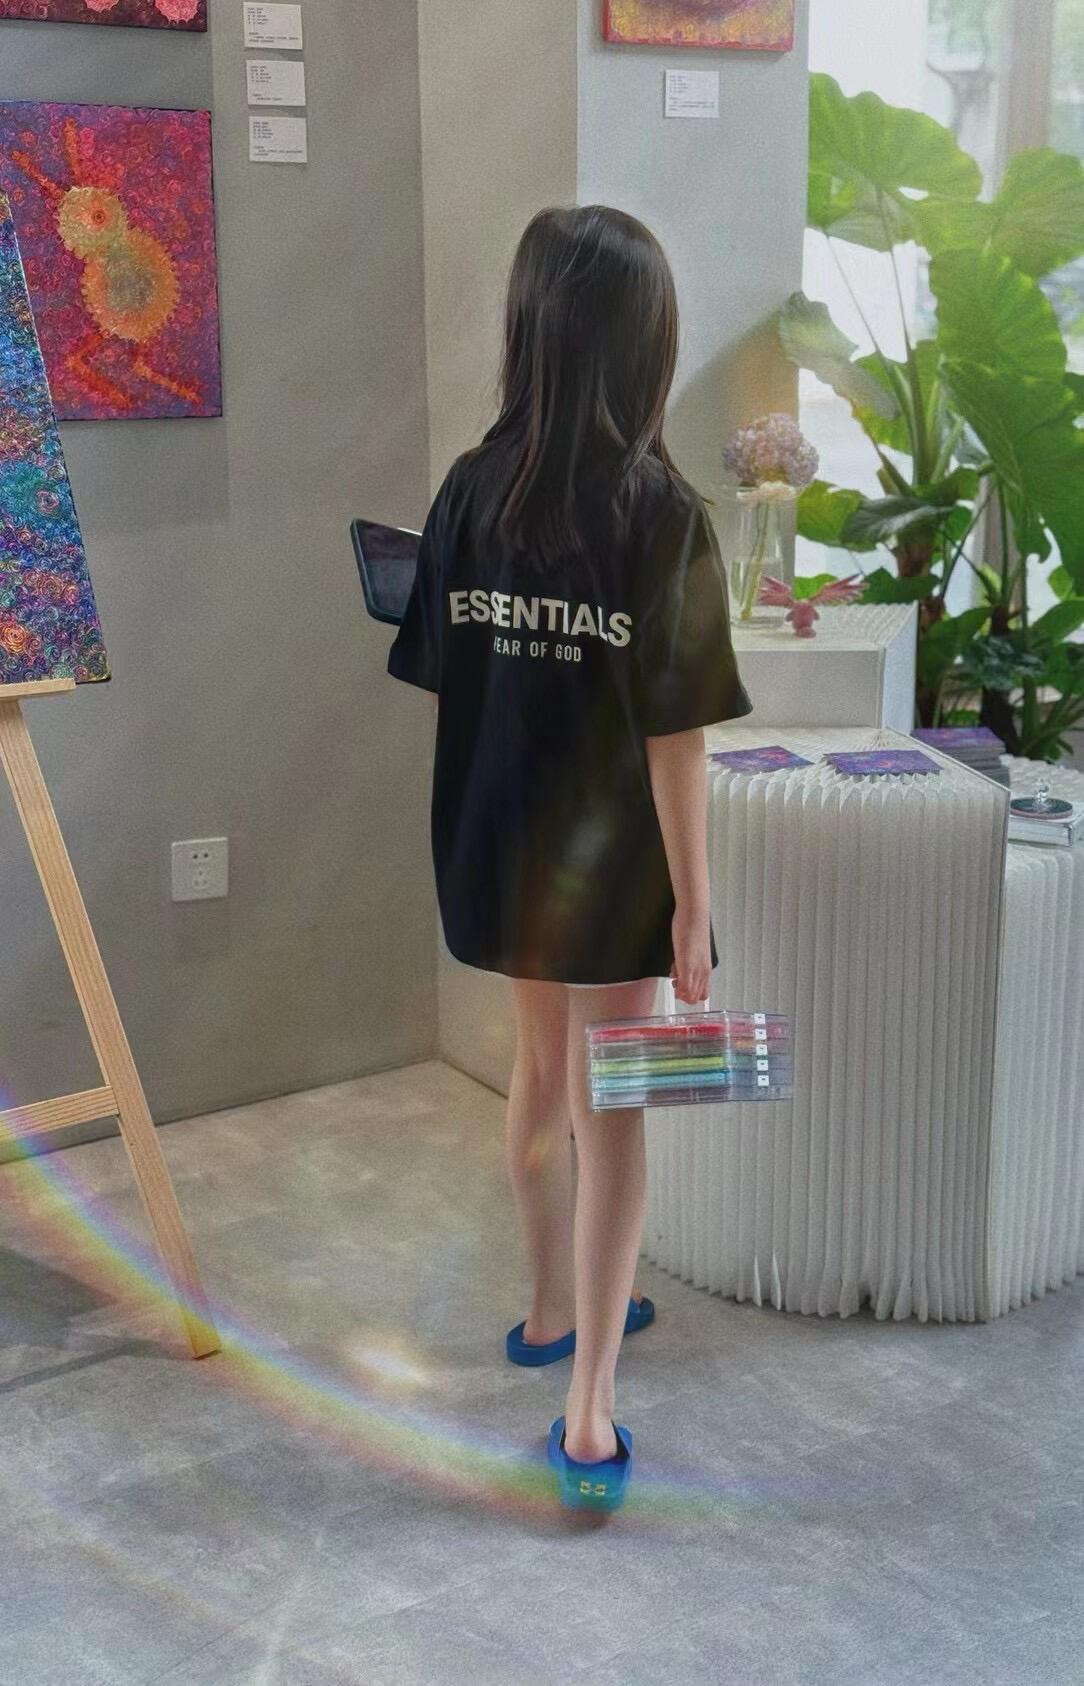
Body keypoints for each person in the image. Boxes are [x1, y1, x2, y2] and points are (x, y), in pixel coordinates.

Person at [387, 204, 752, 1511]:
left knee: (539, 1077)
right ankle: (589, 1414)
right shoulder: (663, 514)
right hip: (610, 872)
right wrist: (694, 908)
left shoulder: (467, 490)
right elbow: (675, 736)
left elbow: (447, 675)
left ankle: (550, 1309)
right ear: (642, 346)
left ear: (530, 331)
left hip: (495, 845)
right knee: (614, 1118)